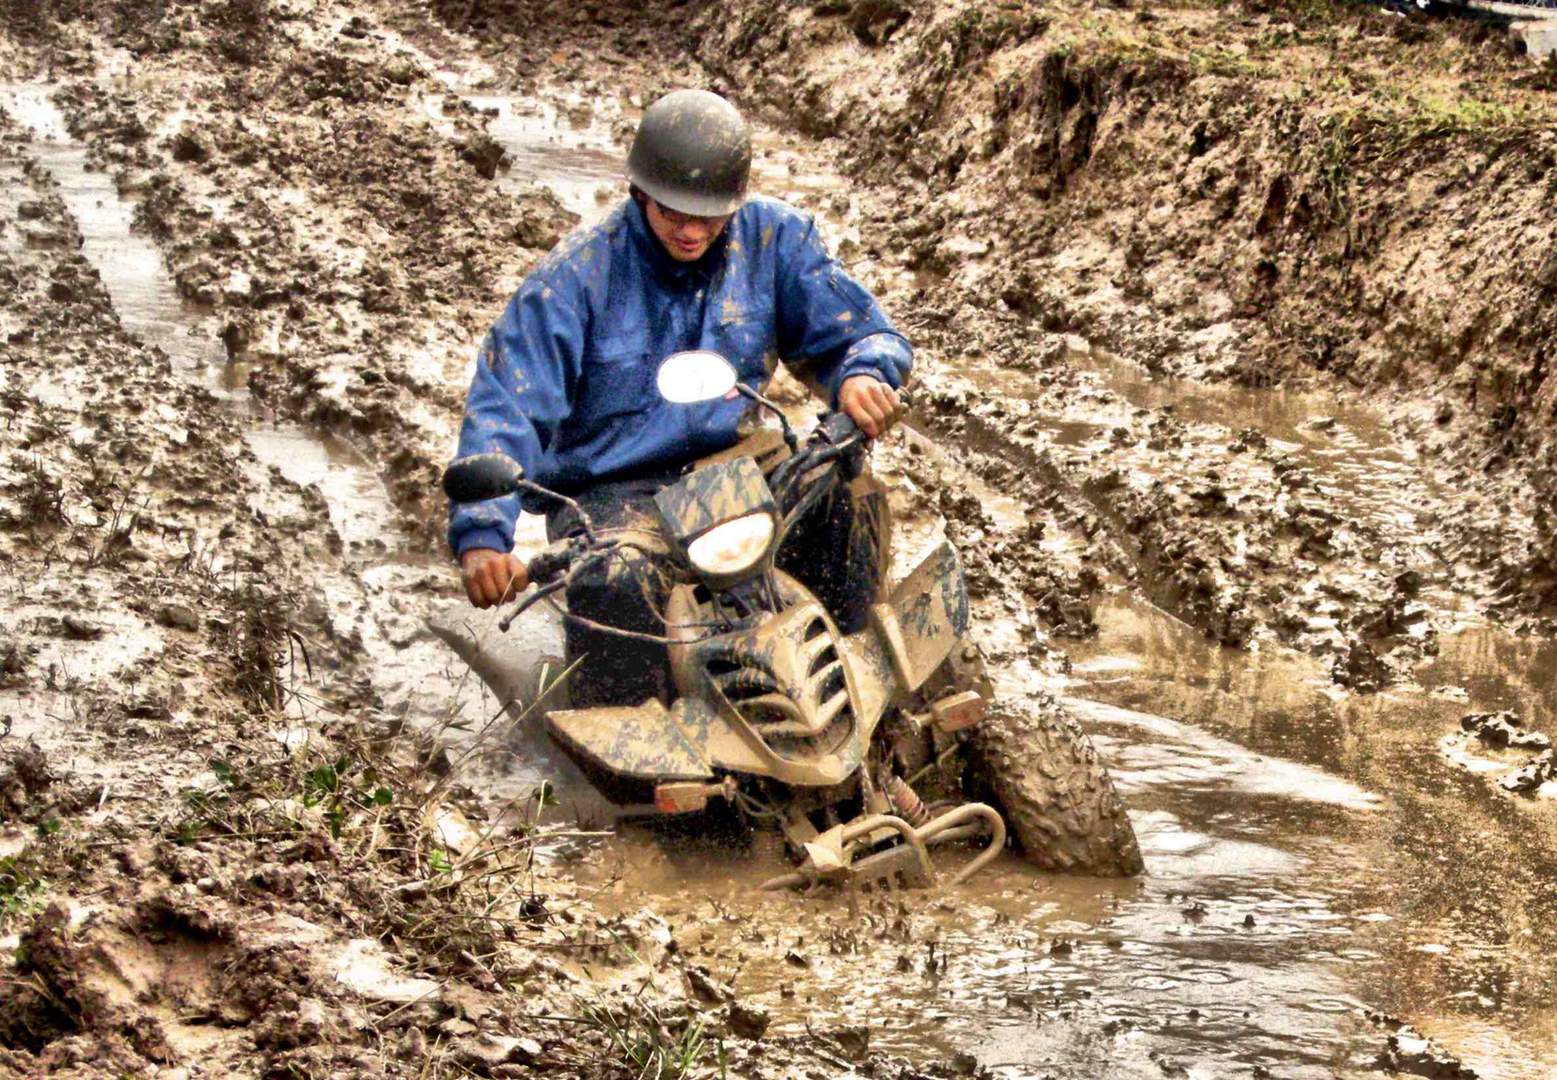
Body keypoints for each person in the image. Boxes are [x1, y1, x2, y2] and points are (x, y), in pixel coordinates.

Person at [448, 88, 910, 705]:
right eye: (674, 214)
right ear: (641, 193)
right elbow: (509, 403)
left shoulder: (773, 242)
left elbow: (861, 332)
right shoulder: (575, 279)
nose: (692, 231)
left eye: (709, 216)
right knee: (617, 580)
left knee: (840, 497)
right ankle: (632, 757)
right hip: (614, 491)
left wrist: (862, 373)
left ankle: (865, 694)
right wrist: (483, 532)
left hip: (732, 467)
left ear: (735, 203)